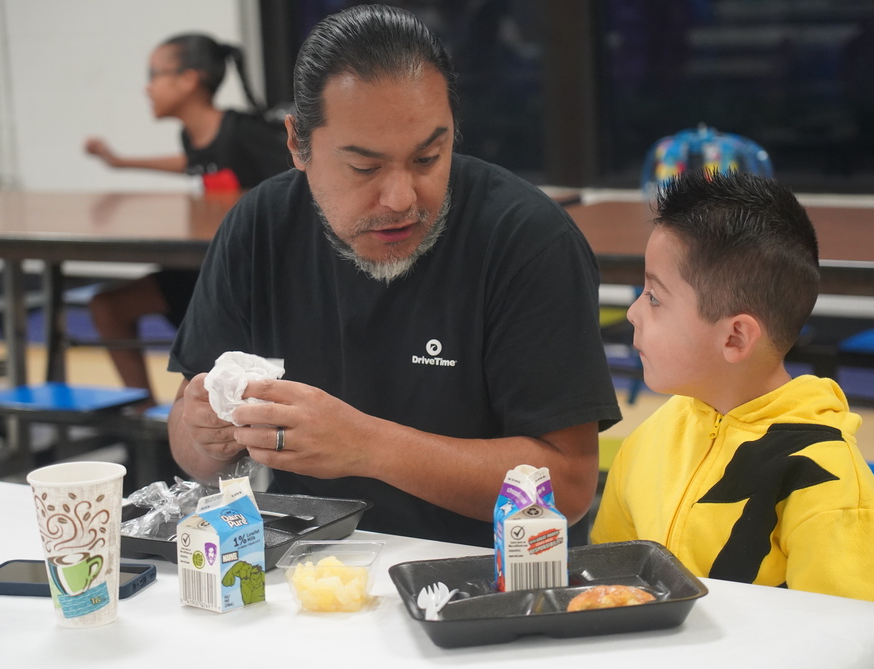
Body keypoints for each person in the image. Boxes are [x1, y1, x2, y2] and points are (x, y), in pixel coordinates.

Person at [166, 4, 621, 547]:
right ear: (296, 144)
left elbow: (568, 489)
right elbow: (188, 449)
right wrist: (206, 436)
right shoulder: (259, 227)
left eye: (429, 157)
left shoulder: (526, 240)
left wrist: (368, 446)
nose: (403, 198)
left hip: (482, 576)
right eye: (365, 168)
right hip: (310, 568)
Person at [591, 170, 874, 604]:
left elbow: (854, 647)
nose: (632, 313)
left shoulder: (828, 484)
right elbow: (609, 588)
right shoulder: (649, 438)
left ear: (735, 337)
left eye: (655, 297)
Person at [85, 33, 291, 408]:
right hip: (201, 268)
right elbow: (192, 164)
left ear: (188, 79)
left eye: (155, 74)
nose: (147, 87)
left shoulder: (244, 133)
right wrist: (120, 162)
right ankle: (146, 419)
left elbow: (299, 177)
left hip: (247, 280)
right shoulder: (193, 136)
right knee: (107, 306)